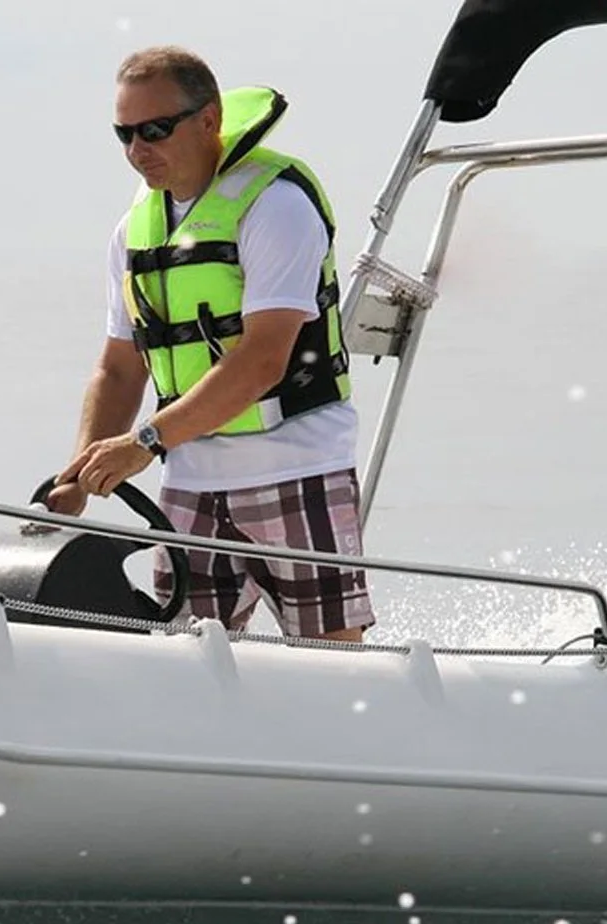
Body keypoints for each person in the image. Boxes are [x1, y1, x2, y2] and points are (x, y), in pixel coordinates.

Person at [45, 46, 374, 642]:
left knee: (335, 665)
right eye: (124, 134)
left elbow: (262, 361)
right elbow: (120, 369)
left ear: (208, 120)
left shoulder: (276, 206)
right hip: (192, 483)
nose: (138, 150)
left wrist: (144, 442)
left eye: (155, 129)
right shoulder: (135, 229)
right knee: (181, 664)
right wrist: (78, 472)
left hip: (297, 471)